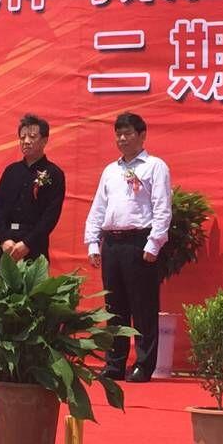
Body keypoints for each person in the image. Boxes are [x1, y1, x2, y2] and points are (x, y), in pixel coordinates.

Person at [84, 111, 172, 382]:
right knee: (114, 307)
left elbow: (162, 207)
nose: (122, 139)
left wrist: (154, 243)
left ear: (142, 135)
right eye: (118, 134)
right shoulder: (111, 170)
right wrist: (93, 243)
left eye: (128, 133)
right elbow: (99, 207)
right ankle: (114, 364)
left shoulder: (155, 166)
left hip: (139, 242)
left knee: (143, 306)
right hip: (112, 242)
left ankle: (143, 365)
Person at [0, 114, 67, 262]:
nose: (26, 141)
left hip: (35, 245)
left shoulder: (54, 173)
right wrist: (4, 239)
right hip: (7, 245)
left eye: (32, 137)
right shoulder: (11, 171)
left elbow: (50, 215)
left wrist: (28, 243)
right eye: (22, 137)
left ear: (44, 140)